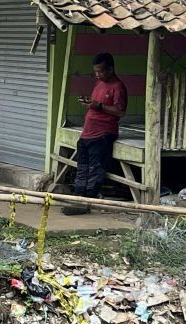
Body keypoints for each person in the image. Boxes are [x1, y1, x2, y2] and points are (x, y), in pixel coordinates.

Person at [64, 53, 127, 215]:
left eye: (101, 72)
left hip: (103, 133)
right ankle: (78, 198)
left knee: (95, 169)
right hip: (87, 132)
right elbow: (97, 104)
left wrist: (98, 105)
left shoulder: (118, 87)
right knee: (82, 167)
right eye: (96, 72)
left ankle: (89, 200)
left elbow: (120, 112)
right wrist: (90, 103)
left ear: (111, 69)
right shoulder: (99, 83)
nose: (98, 75)